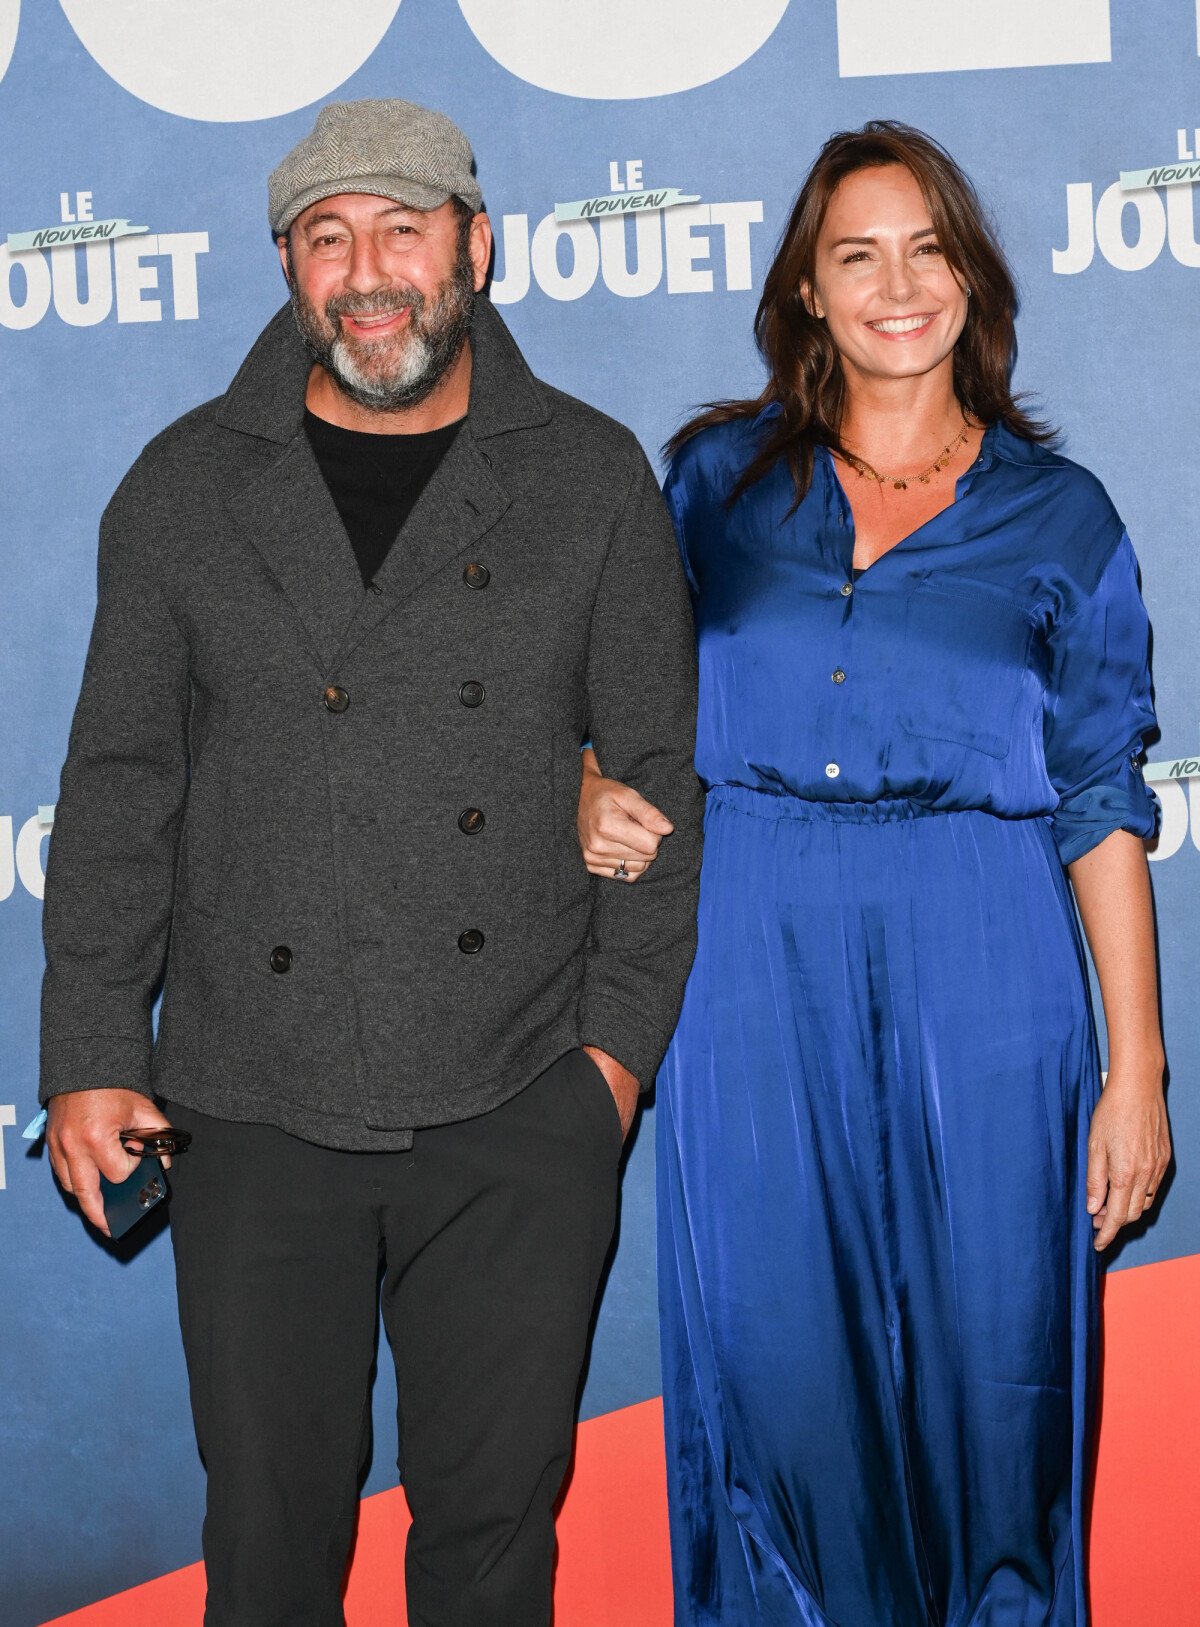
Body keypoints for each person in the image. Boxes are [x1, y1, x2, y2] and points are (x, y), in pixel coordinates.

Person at [39, 97, 702, 1627]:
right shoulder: (183, 487)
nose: (368, 272)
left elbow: (658, 790)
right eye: (328, 239)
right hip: (251, 1099)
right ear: (287, 268)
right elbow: (123, 786)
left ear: (477, 244)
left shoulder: (591, 480)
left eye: (404, 227)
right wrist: (86, 1050)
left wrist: (606, 1072)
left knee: (489, 1548)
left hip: (517, 1093)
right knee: (267, 1551)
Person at [578, 121, 1170, 1626]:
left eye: (928, 249)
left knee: (997, 1380)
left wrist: (1139, 1069)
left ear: (971, 279)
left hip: (988, 959)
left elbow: (1102, 800)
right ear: (808, 292)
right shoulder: (711, 484)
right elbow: (601, 692)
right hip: (749, 962)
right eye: (858, 254)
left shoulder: (1063, 517)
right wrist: (583, 780)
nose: (897, 284)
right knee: (773, 1384)